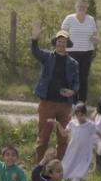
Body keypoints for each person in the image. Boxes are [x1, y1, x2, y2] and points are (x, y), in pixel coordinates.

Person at [30, 24, 79, 162]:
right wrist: (34, 39)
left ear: (67, 44)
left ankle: (59, 167)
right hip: (47, 102)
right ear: (55, 43)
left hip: (65, 105)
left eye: (64, 42)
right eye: (59, 41)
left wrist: (73, 91)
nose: (61, 44)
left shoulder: (73, 63)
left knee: (63, 138)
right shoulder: (47, 57)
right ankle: (40, 166)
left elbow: (76, 82)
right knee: (43, 137)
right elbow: (35, 51)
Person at [52, 103, 98, 181]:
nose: (80, 117)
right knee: (66, 173)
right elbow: (64, 134)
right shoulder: (73, 123)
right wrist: (58, 125)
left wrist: (95, 148)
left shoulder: (91, 125)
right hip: (72, 153)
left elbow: (96, 137)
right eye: (77, 115)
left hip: (83, 155)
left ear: (85, 114)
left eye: (82, 115)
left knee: (76, 176)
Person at [61, 0, 99, 104]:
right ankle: (72, 100)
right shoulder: (69, 18)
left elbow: (94, 35)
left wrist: (95, 39)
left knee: (83, 77)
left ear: (87, 8)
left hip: (87, 52)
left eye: (84, 7)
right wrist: (63, 48)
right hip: (72, 51)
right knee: (72, 76)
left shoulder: (91, 19)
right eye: (80, 6)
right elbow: (63, 34)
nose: (82, 8)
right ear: (76, 7)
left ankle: (81, 102)